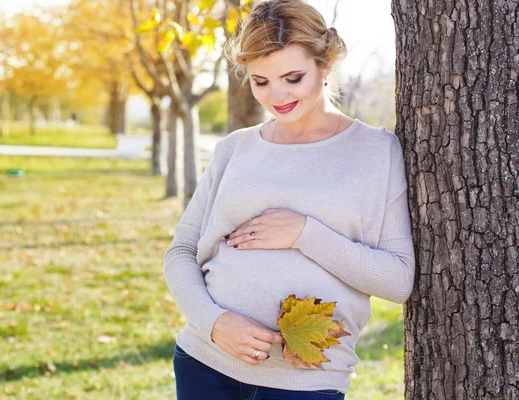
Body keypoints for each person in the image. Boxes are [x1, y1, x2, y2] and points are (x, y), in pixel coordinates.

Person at [162, 0, 416, 398]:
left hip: (304, 383)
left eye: (293, 78)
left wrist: (304, 233)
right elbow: (181, 252)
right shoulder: (235, 148)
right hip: (204, 363)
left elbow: (399, 280)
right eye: (261, 82)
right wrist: (213, 321)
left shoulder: (376, 151)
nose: (276, 95)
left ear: (325, 63)